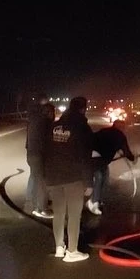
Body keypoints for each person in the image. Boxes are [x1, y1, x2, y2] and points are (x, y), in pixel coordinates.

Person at [44, 96, 93, 262]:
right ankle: (72, 251)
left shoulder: (53, 127)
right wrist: (89, 182)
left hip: (53, 177)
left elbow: (45, 151)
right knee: (74, 214)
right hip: (73, 177)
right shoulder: (82, 127)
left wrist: (45, 176)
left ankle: (59, 247)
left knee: (58, 213)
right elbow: (85, 156)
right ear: (83, 109)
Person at [87, 119, 137, 215]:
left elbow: (93, 139)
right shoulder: (120, 136)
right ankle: (94, 202)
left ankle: (99, 200)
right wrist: (133, 158)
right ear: (121, 127)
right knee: (99, 177)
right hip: (97, 159)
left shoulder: (104, 131)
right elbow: (126, 152)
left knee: (104, 176)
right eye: (123, 127)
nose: (124, 129)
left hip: (94, 157)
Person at [25, 94, 54, 218]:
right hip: (39, 155)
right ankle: (40, 208)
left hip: (31, 153)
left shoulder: (33, 119)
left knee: (35, 177)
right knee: (42, 181)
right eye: (52, 112)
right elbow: (46, 142)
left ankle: (31, 201)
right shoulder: (45, 122)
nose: (53, 115)